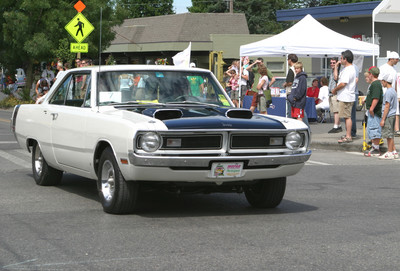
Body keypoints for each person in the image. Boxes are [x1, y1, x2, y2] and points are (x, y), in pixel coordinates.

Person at [332, 50, 356, 144]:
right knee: (346, 116)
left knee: (347, 117)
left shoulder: (349, 69)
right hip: (344, 96)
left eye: (341, 58)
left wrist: (335, 90)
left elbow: (343, 83)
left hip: (346, 97)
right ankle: (347, 134)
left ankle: (348, 136)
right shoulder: (346, 69)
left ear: (345, 59)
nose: (340, 60)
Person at [378, 51, 400, 136]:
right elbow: (380, 79)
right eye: (396, 59)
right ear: (391, 59)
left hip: (393, 91)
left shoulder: (394, 68)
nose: (397, 61)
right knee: (387, 108)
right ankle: (388, 127)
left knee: (396, 109)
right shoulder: (383, 67)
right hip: (385, 92)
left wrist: (396, 92)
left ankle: (396, 129)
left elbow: (395, 82)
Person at [363, 67, 383, 156]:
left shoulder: (375, 84)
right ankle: (374, 147)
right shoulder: (375, 84)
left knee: (375, 130)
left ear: (371, 74)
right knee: (372, 129)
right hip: (373, 111)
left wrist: (371, 108)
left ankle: (376, 148)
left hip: (375, 111)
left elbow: (376, 97)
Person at [379, 73, 398, 159]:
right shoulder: (393, 91)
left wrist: (383, 119)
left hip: (388, 115)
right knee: (390, 134)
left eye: (382, 81)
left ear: (385, 81)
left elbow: (387, 105)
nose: (382, 83)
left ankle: (389, 152)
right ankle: (394, 151)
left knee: (388, 135)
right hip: (392, 115)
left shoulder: (388, 92)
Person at [328, 57, 342, 133]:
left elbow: (336, 78)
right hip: (330, 93)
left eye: (334, 63)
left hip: (335, 93)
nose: (332, 64)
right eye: (331, 63)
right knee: (333, 110)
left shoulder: (338, 71)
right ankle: (339, 125)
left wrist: (336, 66)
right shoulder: (332, 71)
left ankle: (335, 126)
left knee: (336, 111)